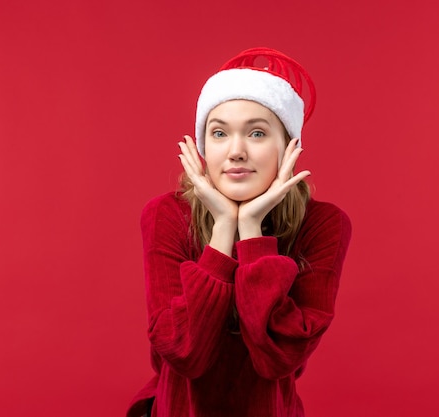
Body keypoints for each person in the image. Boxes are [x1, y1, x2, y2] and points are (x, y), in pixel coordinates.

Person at [127, 47, 351, 417]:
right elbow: (185, 353)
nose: (236, 151)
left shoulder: (323, 224)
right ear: (202, 146)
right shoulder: (166, 214)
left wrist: (250, 232)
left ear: (289, 146)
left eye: (257, 133)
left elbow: (278, 359)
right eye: (219, 133)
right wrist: (222, 230)